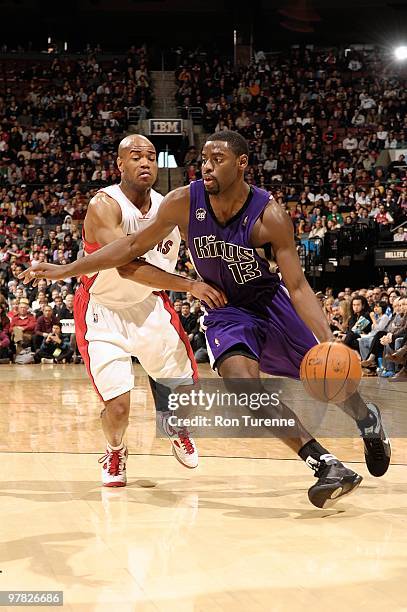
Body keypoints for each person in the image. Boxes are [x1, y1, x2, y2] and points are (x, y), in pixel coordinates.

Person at [20, 130, 391, 509]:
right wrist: (65, 269)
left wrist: (327, 338)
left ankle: (367, 419)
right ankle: (323, 463)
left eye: (218, 160)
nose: (207, 166)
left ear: (242, 164)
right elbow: (128, 249)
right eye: (204, 160)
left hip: (268, 302)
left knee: (327, 377)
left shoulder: (270, 215)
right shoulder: (183, 202)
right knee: (243, 386)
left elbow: (296, 285)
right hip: (226, 309)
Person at [21, 134, 227, 488]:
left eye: (151, 156)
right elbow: (126, 265)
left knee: (186, 393)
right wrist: (191, 285)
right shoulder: (105, 205)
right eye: (135, 157)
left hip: (149, 308)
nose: (145, 162)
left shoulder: (170, 207)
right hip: (103, 311)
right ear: (119, 164)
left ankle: (175, 425)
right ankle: (115, 449)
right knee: (117, 408)